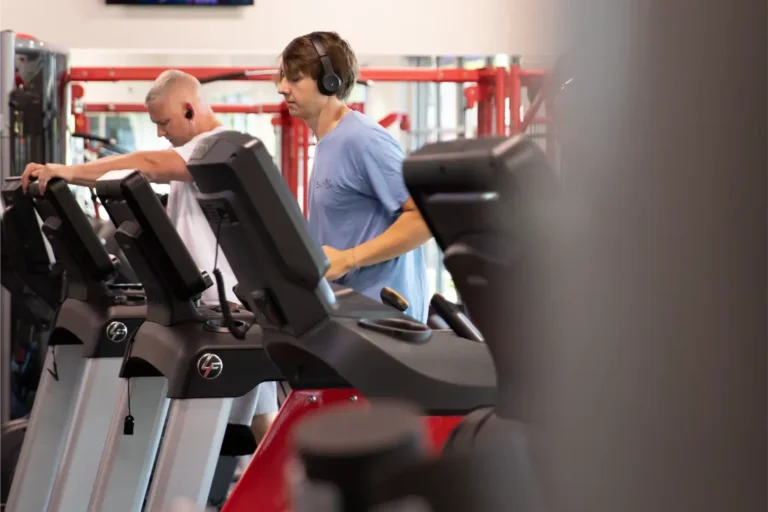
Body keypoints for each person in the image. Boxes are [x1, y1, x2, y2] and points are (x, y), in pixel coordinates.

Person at [20, 70, 277, 445]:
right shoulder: (199, 153)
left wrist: (67, 171)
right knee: (250, 419)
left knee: (253, 419)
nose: (161, 133)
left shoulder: (223, 145)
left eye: (164, 122)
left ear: (189, 109)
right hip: (206, 306)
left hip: (231, 310)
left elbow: (150, 165)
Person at [277, 31, 432, 321]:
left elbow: (425, 219)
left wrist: (348, 260)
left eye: (295, 78)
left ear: (329, 82)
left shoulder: (363, 140)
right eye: (283, 78)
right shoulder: (327, 144)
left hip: (385, 322)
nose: (282, 88)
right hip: (349, 317)